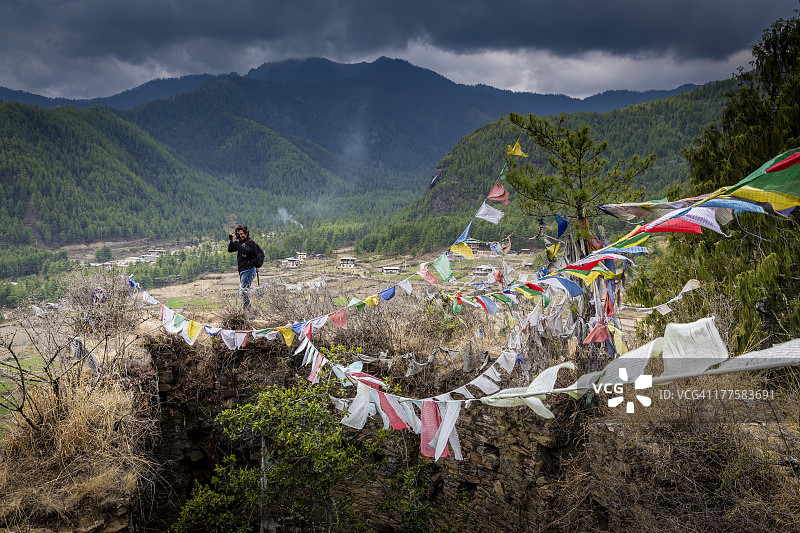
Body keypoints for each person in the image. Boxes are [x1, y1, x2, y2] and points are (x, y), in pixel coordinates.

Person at [227, 224, 257, 309]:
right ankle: (248, 308)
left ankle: (247, 309)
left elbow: (244, 251)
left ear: (246, 233)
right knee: (244, 291)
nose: (240, 236)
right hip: (242, 270)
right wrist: (232, 241)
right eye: (238, 234)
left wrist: (236, 242)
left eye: (241, 234)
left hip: (249, 270)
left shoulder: (250, 243)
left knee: (244, 291)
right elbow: (230, 250)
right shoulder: (240, 242)